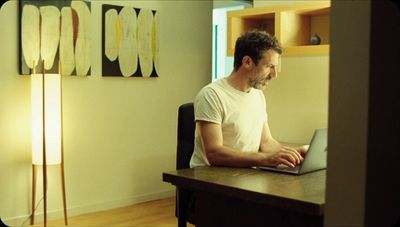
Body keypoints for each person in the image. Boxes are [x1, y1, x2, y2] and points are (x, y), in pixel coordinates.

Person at [189, 30, 308, 168]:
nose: (274, 75)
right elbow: (214, 153)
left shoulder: (257, 95)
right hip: (210, 180)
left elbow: (266, 142)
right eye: (269, 66)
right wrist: (264, 159)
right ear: (247, 62)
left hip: (244, 175)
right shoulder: (211, 95)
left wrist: (294, 153)